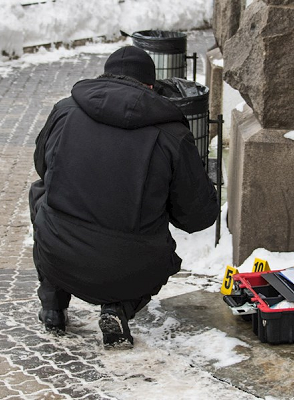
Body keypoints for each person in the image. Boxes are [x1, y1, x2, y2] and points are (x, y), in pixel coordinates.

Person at [29, 46, 219, 348]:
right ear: (150, 86)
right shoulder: (171, 133)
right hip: (131, 267)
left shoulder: (65, 111)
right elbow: (197, 217)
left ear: (105, 76)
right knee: (155, 241)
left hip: (59, 255)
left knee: (40, 192)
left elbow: (43, 165)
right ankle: (119, 308)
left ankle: (53, 303)